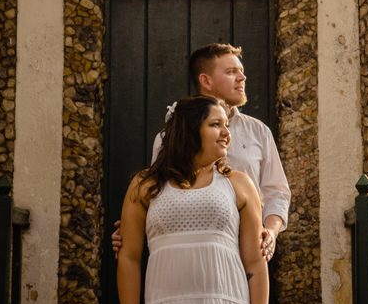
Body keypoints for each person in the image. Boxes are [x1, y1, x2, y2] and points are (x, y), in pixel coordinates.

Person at [118, 95, 274, 304]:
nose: (227, 133)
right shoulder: (144, 185)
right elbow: (128, 258)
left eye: (227, 125)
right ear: (189, 130)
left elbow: (255, 262)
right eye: (216, 124)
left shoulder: (239, 184)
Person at [114, 43, 291, 261]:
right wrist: (131, 228)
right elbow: (157, 195)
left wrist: (270, 234)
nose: (242, 78)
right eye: (231, 72)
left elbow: (277, 193)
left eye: (242, 72)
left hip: (250, 254)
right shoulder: (168, 137)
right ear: (206, 81)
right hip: (188, 252)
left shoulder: (259, 132)